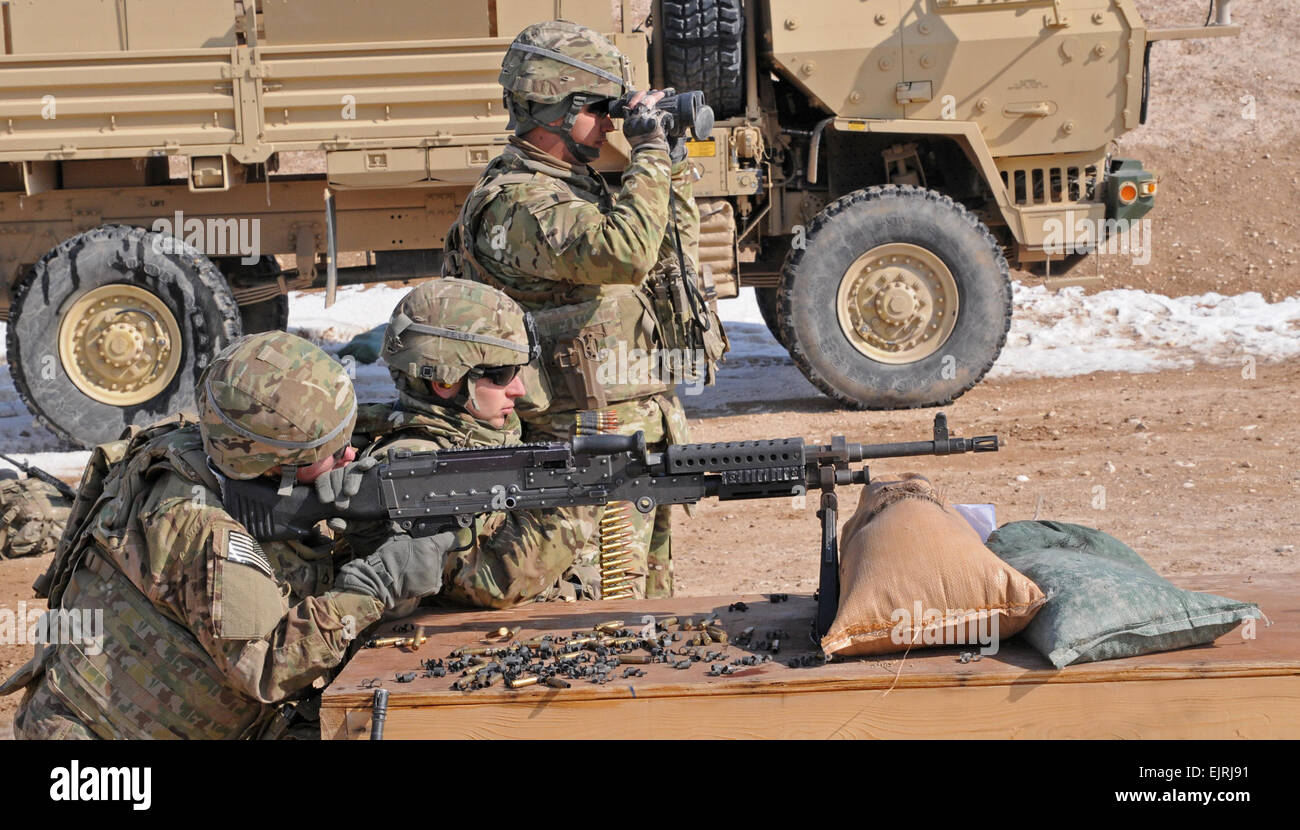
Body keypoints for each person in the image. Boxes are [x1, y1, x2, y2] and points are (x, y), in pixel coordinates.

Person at [0, 331, 450, 739]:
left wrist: (364, 534)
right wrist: (373, 588)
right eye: (330, 453)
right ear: (274, 467)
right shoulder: (201, 527)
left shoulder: (205, 452)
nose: (350, 454)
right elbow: (267, 667)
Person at [442, 19, 727, 600]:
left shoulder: (574, 186)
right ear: (552, 109)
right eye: (600, 107)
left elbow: (666, 256)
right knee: (598, 618)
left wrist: (667, 162)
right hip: (582, 444)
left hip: (630, 434)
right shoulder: (518, 203)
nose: (613, 123)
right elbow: (625, 255)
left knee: (649, 610)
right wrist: (646, 150)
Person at [341, 278, 602, 607]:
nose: (519, 390)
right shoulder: (411, 467)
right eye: (502, 375)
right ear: (446, 381)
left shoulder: (475, 439)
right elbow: (494, 581)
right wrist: (579, 494)